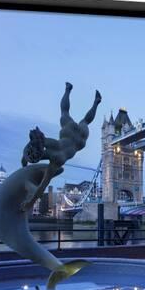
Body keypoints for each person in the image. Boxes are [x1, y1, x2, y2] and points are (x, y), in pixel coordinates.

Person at [21, 82, 101, 210]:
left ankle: (95, 101)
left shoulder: (57, 160)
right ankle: (69, 90)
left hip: (79, 141)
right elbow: (35, 143)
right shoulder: (49, 143)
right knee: (66, 112)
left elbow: (42, 186)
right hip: (70, 134)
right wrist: (24, 159)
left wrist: (29, 203)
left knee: (84, 121)